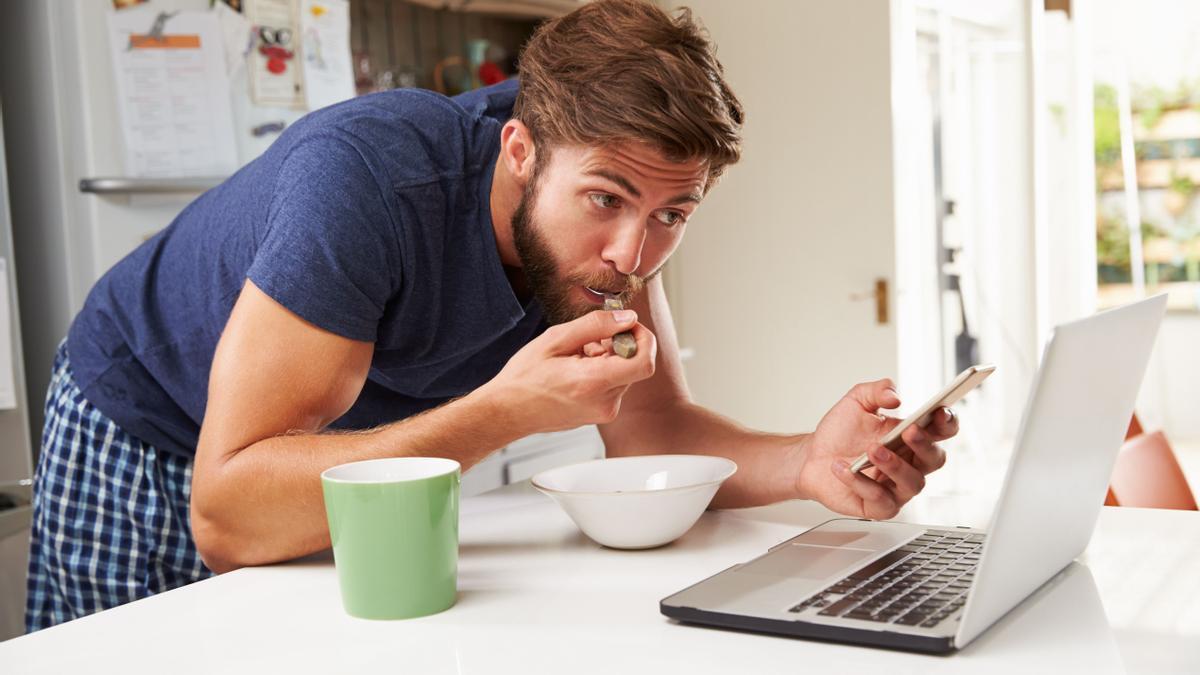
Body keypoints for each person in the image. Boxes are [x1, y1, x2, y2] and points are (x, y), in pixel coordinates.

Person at [25, 0, 957, 632]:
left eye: (674, 212)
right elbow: (229, 511)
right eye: (607, 199)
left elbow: (655, 432)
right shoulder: (367, 184)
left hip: (320, 452)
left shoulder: (612, 229)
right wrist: (507, 408)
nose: (634, 255)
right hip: (149, 424)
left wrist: (807, 461)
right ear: (519, 150)